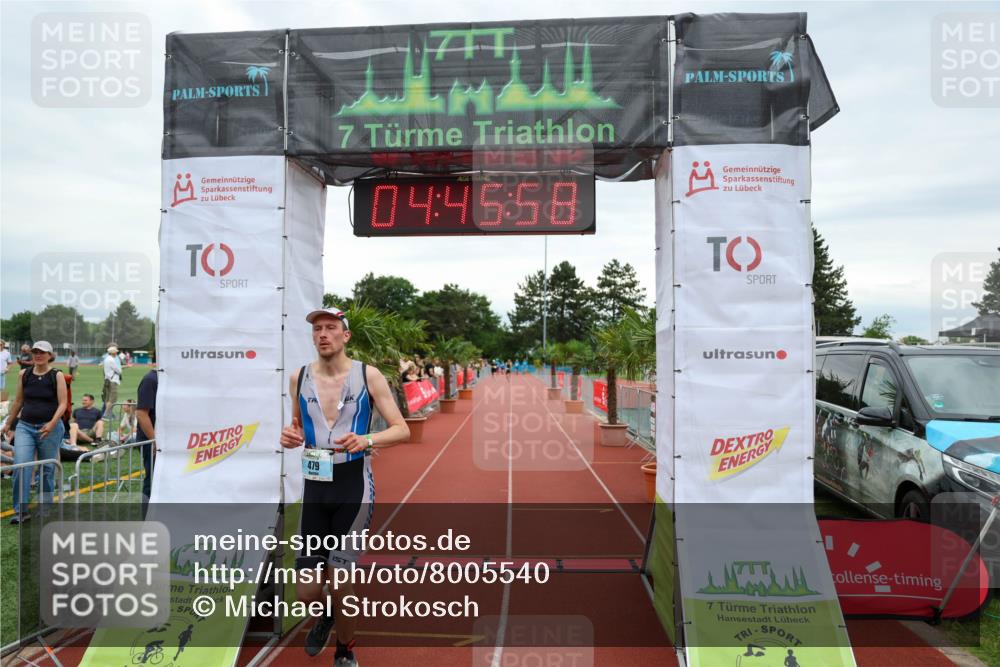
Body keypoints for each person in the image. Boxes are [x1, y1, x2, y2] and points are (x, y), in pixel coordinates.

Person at [280, 307, 409, 667]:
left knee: (340, 580)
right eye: (317, 329)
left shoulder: (369, 376)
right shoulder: (299, 377)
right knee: (306, 593)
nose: (322, 334)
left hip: (354, 487)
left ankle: (345, 649)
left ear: (345, 335)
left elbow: (402, 429)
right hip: (315, 487)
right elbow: (297, 427)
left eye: (330, 328)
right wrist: (291, 436)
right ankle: (327, 615)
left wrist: (367, 440)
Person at [2, 341, 67, 524]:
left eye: (42, 352)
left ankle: (45, 508)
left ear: (50, 355)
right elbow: (18, 402)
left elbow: (63, 403)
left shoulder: (57, 375)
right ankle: (21, 511)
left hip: (50, 428)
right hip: (25, 426)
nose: (38, 355)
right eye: (35, 352)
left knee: (46, 469)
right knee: (21, 466)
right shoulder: (24, 374)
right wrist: (8, 423)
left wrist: (52, 424)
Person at [135, 367, 158, 506]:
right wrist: (154, 440)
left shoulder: (165, 379)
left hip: (162, 441)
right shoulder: (150, 380)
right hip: (152, 441)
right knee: (152, 481)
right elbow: (141, 414)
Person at [102, 345, 122, 419]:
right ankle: (106, 414)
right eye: (116, 352)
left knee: (108, 399)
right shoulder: (111, 360)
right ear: (113, 353)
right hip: (113, 380)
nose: (116, 353)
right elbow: (119, 371)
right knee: (112, 399)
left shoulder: (106, 359)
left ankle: (109, 414)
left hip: (107, 379)